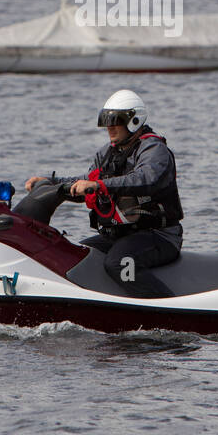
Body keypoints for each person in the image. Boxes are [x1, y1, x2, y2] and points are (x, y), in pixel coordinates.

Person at [15, 89, 183, 298]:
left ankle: (164, 312)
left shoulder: (154, 150)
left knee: (119, 263)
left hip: (159, 235)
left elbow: (145, 179)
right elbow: (86, 181)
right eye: (107, 121)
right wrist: (50, 182)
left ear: (134, 120)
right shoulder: (107, 153)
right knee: (71, 256)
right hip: (121, 235)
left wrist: (99, 186)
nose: (110, 127)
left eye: (116, 121)